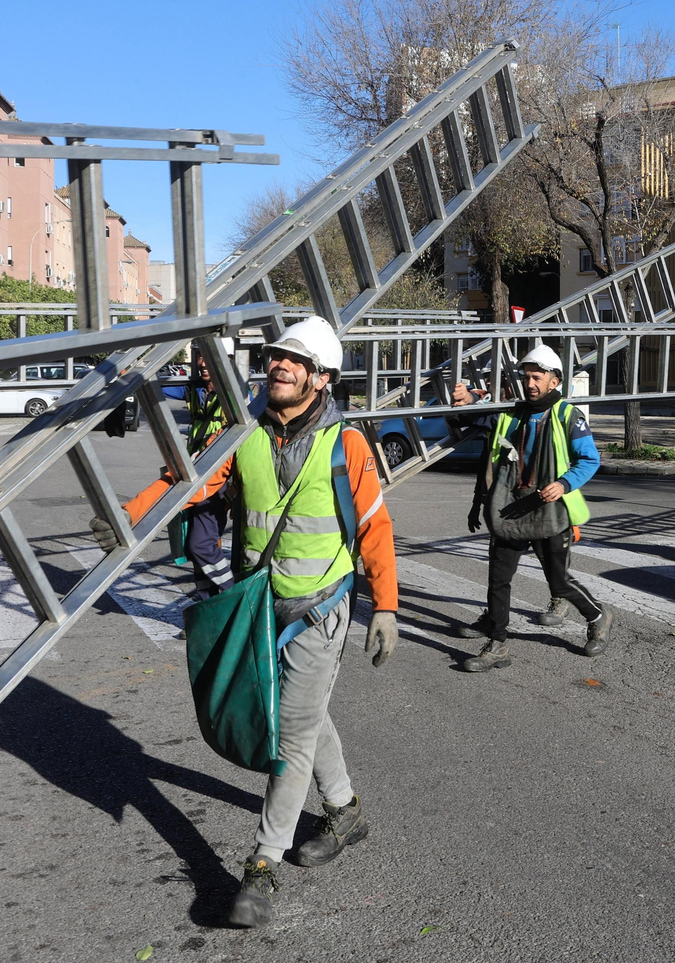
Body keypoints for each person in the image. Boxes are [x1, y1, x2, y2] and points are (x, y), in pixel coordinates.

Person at [224, 316, 400, 928]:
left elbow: (375, 526)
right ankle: (345, 811)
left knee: (293, 734)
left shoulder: (346, 444)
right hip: (256, 606)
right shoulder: (242, 433)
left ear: (321, 378)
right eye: (276, 356)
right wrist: (130, 517)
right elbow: (186, 484)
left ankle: (262, 864)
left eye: (295, 360)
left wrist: (385, 606)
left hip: (319, 610)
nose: (279, 365)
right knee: (305, 712)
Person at [460, 343, 606, 672]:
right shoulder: (512, 414)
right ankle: (497, 644)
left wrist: (564, 483)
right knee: (499, 579)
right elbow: (471, 418)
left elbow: (589, 459)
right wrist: (466, 400)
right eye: (527, 377)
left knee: (559, 583)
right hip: (512, 507)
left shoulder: (568, 416)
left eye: (537, 378)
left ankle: (598, 616)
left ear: (555, 381)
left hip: (550, 510)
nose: (530, 384)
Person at [91, 343, 235, 600]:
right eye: (200, 356)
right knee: (197, 544)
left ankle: (231, 597)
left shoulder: (237, 396)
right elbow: (154, 385)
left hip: (217, 479)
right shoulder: (194, 388)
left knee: (201, 543)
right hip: (194, 470)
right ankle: (208, 602)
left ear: (228, 360)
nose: (202, 363)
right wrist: (128, 373)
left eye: (209, 357)